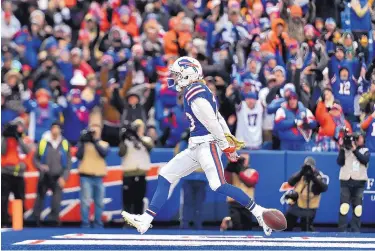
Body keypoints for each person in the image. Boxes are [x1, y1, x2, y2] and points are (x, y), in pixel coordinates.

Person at [121, 56, 282, 236]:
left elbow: (213, 122)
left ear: (188, 74)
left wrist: (226, 146)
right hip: (197, 145)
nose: (174, 78)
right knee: (166, 174)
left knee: (218, 185)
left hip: (207, 144)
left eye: (177, 74)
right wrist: (228, 140)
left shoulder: (194, 92)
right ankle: (146, 220)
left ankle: (259, 213)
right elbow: (218, 117)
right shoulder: (196, 89)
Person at [33, 122, 71, 226]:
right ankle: (35, 219)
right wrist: (41, 167)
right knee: (40, 198)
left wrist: (64, 177)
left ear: (60, 130)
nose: (55, 130)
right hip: (45, 174)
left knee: (56, 199)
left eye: (57, 128)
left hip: (58, 175)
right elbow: (35, 159)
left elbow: (68, 162)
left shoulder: (64, 143)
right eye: (53, 128)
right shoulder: (43, 142)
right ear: (50, 129)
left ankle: (53, 220)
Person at [76, 120, 109, 228]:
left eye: (96, 130)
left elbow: (103, 153)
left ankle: (98, 223)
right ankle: (85, 223)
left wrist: (94, 141)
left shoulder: (104, 144)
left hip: (99, 176)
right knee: (85, 201)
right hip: (86, 175)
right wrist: (82, 141)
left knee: (99, 202)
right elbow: (78, 155)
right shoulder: (84, 144)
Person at [336, 131, 370, 232]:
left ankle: (355, 229)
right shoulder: (346, 149)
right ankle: (342, 230)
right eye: (356, 138)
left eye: (359, 138)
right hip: (346, 180)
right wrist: (342, 148)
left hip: (359, 182)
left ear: (363, 139)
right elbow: (339, 162)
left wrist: (355, 150)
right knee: (344, 206)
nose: (357, 140)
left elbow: (364, 160)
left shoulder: (365, 150)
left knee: (358, 208)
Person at [119, 119, 153, 216]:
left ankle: (138, 219)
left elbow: (150, 147)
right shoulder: (127, 140)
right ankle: (127, 222)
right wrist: (123, 139)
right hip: (128, 174)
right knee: (127, 199)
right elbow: (121, 153)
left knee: (139, 198)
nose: (138, 129)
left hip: (141, 174)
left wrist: (138, 138)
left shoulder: (146, 139)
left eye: (140, 127)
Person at [284, 157, 328, 231]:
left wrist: (313, 177)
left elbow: (324, 188)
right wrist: (301, 172)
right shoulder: (301, 173)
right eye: (307, 166)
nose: (309, 169)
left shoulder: (318, 175)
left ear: (314, 167)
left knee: (306, 228)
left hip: (310, 206)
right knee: (287, 224)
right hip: (297, 204)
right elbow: (290, 182)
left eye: (311, 167)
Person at [1, 119, 30, 227]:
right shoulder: (4, 138)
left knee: (20, 197)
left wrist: (18, 137)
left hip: (19, 173)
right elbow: (2, 151)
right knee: (3, 198)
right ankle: (3, 221)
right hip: (5, 173)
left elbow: (27, 151)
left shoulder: (23, 138)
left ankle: (19, 221)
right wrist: (5, 136)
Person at [221, 154, 259, 231]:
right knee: (236, 222)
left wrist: (239, 172)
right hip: (234, 201)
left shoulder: (252, 172)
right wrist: (228, 168)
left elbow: (250, 183)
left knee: (247, 224)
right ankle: (229, 224)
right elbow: (226, 181)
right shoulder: (233, 171)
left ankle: (228, 221)